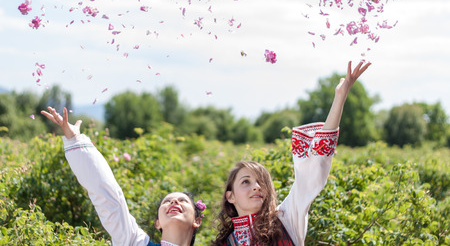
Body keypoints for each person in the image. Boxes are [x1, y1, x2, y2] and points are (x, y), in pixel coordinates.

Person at [213, 60, 371, 246]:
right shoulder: (224, 243)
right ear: (230, 196)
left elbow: (312, 170)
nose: (256, 187)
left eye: (261, 182)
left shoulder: (286, 219)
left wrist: (340, 96)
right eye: (246, 181)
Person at [41, 107, 205, 246]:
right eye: (167, 201)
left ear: (197, 220)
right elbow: (109, 198)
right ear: (157, 223)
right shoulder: (134, 241)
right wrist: (75, 140)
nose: (174, 202)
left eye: (183, 201)